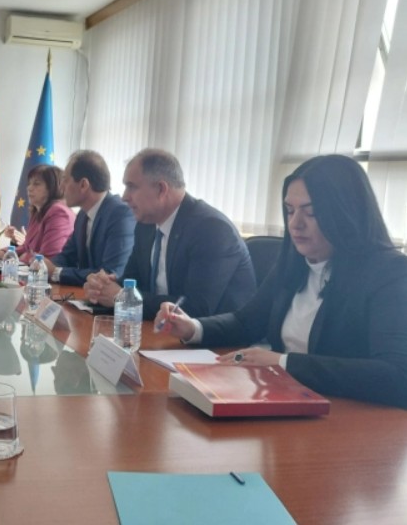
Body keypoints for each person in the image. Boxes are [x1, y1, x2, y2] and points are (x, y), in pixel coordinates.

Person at [158, 154, 407, 409]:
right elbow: (247, 322)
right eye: (290, 211)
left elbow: (397, 375)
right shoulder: (295, 261)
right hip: (284, 402)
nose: (295, 224)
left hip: (349, 417)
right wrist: (193, 328)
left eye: (311, 212)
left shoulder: (390, 273)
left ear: (346, 213)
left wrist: (282, 363)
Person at [85, 148, 256, 319]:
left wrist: (122, 298)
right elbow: (132, 281)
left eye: (132, 187)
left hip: (215, 335)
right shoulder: (146, 225)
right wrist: (103, 287)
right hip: (159, 329)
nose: (124, 197)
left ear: (161, 189)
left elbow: (196, 308)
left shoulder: (212, 230)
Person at [46, 150, 135, 286]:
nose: (61, 186)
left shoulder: (120, 214)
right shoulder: (83, 215)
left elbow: (109, 273)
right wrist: (43, 266)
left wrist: (57, 272)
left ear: (83, 185)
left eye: (65, 180)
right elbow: (67, 256)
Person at [0, 164, 75, 264]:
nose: (29, 188)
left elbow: (50, 258)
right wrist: (5, 252)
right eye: (29, 183)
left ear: (52, 187)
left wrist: (23, 257)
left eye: (36, 184)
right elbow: (26, 247)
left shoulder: (59, 212)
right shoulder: (37, 211)